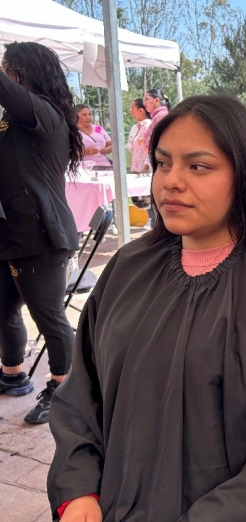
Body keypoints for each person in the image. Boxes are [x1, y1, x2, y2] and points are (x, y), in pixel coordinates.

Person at [47, 95, 246, 522]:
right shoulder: (127, 269)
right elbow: (82, 392)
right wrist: (79, 489)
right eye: (162, 163)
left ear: (245, 174)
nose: (171, 181)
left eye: (198, 166)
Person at [0, 42, 82, 424]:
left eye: (8, 68)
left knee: (49, 317)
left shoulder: (45, 113)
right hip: (11, 233)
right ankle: (13, 374)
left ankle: (65, 390)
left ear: (25, 71)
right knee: (3, 309)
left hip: (41, 235)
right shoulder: (14, 120)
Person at [142, 88, 171, 227]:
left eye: (147, 99)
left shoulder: (161, 117)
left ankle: (158, 226)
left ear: (157, 100)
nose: (144, 103)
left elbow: (159, 143)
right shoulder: (157, 117)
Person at [125, 97, 152, 173]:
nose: (131, 111)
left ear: (141, 111)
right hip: (136, 169)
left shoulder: (149, 126)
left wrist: (146, 166)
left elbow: (151, 149)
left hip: (145, 170)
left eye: (132, 108)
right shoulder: (135, 127)